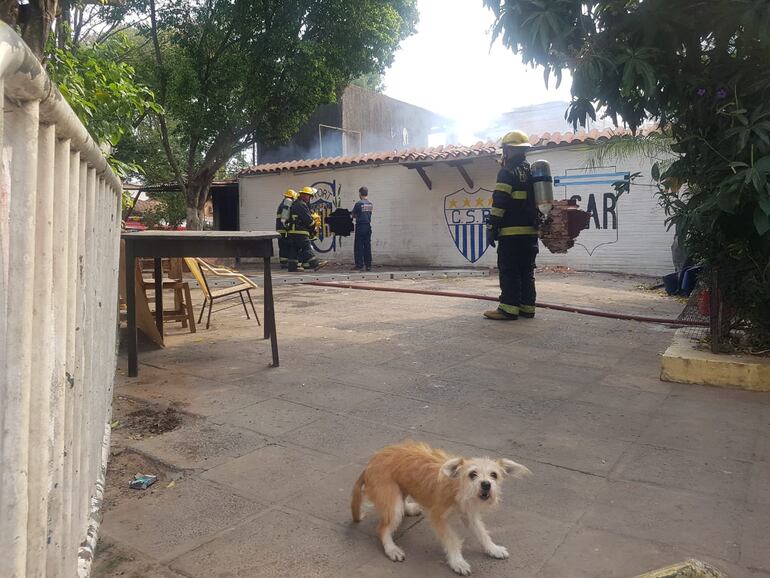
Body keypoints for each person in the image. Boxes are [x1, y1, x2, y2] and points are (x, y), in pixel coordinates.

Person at [484, 130, 540, 320]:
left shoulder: (507, 172)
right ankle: (527, 308)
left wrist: (492, 227)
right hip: (531, 234)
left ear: (508, 149)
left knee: (509, 270)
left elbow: (500, 202)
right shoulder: (532, 171)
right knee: (526, 271)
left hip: (510, 234)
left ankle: (508, 308)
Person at [287, 186, 327, 272]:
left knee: (294, 248)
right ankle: (315, 264)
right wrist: (314, 227)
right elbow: (307, 219)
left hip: (293, 231)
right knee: (306, 246)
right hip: (300, 231)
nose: (309, 198)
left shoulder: (296, 203)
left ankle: (292, 267)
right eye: (309, 196)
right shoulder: (301, 204)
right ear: (304, 195)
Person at [352, 186, 373, 271]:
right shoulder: (370, 204)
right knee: (367, 245)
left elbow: (353, 215)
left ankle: (359, 265)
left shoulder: (359, 203)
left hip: (360, 227)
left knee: (359, 246)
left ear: (360, 194)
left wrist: (357, 216)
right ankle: (368, 265)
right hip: (368, 226)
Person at [275, 188, 298, 268]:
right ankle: (286, 264)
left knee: (282, 246)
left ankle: (283, 263)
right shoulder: (288, 201)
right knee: (286, 246)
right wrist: (287, 226)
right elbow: (284, 216)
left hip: (280, 229)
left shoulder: (282, 203)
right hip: (284, 230)